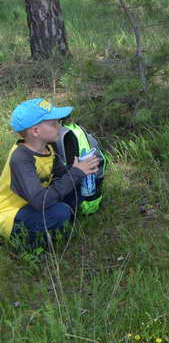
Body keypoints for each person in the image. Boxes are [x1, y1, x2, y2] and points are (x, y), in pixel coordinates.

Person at [1, 98, 100, 250]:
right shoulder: (21, 158)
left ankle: (55, 225)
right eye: (54, 124)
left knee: (78, 187)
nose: (59, 127)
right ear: (35, 131)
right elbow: (40, 201)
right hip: (12, 213)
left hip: (34, 202)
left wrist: (80, 169)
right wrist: (75, 173)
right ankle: (29, 244)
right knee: (60, 212)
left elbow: (62, 176)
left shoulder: (48, 148)